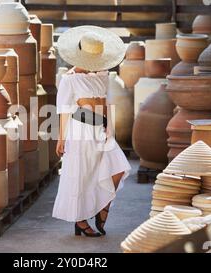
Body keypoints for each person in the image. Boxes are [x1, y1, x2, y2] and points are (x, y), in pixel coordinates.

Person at [52, 26, 131, 237]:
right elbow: (65, 111)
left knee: (118, 167)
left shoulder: (103, 74)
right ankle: (80, 221)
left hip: (101, 129)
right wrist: (61, 139)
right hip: (80, 131)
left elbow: (106, 103)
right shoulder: (69, 79)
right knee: (81, 175)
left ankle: (103, 208)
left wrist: (110, 129)